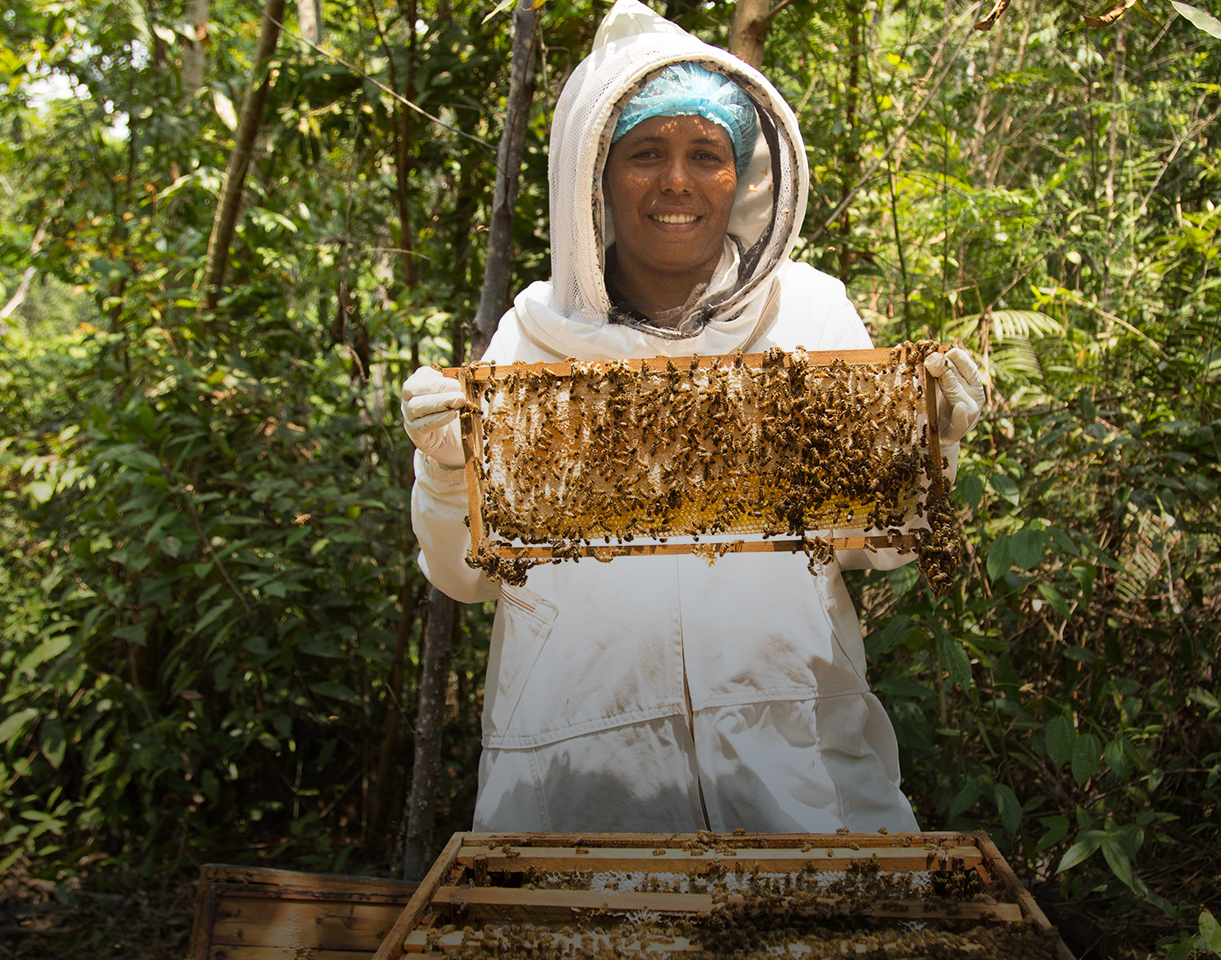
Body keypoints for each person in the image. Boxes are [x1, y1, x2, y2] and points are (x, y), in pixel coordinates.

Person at [399, 0, 986, 834]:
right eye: (646, 153)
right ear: (597, 175)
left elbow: (877, 542)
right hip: (579, 785)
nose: (676, 181)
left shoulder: (809, 316)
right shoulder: (530, 338)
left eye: (705, 154)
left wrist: (926, 444)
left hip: (798, 773)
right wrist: (447, 470)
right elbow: (465, 574)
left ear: (740, 176)